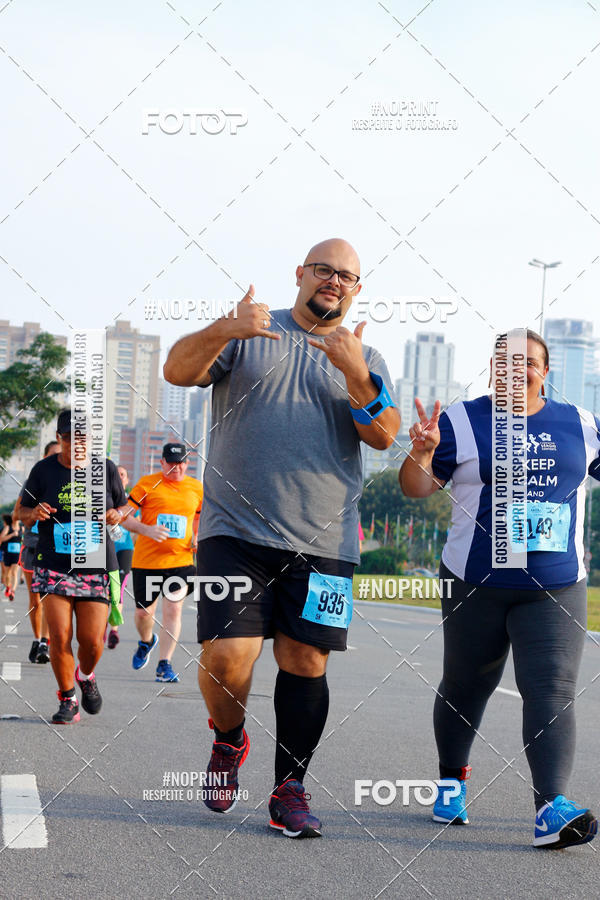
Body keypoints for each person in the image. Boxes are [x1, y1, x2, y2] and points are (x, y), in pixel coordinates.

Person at [164, 237, 400, 837]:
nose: (335, 281)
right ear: (300, 273)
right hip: (233, 531)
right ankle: (228, 741)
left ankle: (289, 789)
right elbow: (177, 369)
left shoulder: (366, 355)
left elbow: (383, 435)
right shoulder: (250, 333)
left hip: (325, 543)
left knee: (306, 659)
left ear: (356, 288)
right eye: (324, 270)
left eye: (347, 275)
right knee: (225, 658)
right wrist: (225, 326)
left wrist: (354, 371)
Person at [399, 329, 598, 849]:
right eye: (507, 363)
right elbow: (416, 488)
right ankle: (450, 782)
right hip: (475, 580)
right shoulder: (461, 421)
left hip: (554, 585)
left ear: (544, 372)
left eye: (529, 363)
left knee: (552, 690)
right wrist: (421, 453)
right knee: (466, 685)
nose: (518, 371)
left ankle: (550, 807)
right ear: (492, 369)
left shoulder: (579, 422)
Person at [19, 409, 132, 724]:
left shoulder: (105, 469)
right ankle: (67, 698)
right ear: (59, 438)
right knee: (59, 634)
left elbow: (123, 505)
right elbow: (20, 511)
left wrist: (117, 515)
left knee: (92, 641)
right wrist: (35, 512)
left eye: (82, 438)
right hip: (53, 564)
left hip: (95, 565)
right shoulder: (43, 471)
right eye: (69, 438)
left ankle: (86, 675)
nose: (75, 444)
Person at [122, 444, 203, 682]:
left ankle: (164, 664)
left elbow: (202, 517)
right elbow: (123, 517)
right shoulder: (147, 484)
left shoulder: (196, 488)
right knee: (143, 613)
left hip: (181, 560)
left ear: (187, 464)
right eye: (172, 463)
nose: (177, 468)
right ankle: (147, 642)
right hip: (147, 561)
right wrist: (146, 529)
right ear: (162, 463)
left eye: (181, 463)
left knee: (173, 609)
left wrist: (197, 536)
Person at [15, 439, 60, 662]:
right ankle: (38, 638)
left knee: (51, 596)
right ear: (45, 457)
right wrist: (34, 515)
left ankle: (44, 643)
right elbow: (18, 513)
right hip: (33, 544)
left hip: (59, 547)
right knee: (36, 600)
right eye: (53, 454)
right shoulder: (34, 481)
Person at [105, 465, 136, 649]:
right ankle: (100, 626)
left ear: (127, 480)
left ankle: (113, 629)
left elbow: (138, 525)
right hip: (104, 548)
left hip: (125, 548)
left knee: (118, 587)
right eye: (115, 474)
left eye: (122, 474)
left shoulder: (132, 503)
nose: (119, 476)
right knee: (104, 588)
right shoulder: (105, 497)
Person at [0, 515, 22, 601]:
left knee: (14, 573)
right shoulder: (8, 528)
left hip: (17, 554)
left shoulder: (21, 529)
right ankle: (8, 587)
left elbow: (24, 540)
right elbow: (1, 538)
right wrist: (12, 534)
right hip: (8, 553)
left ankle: (13, 591)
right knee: (7, 573)